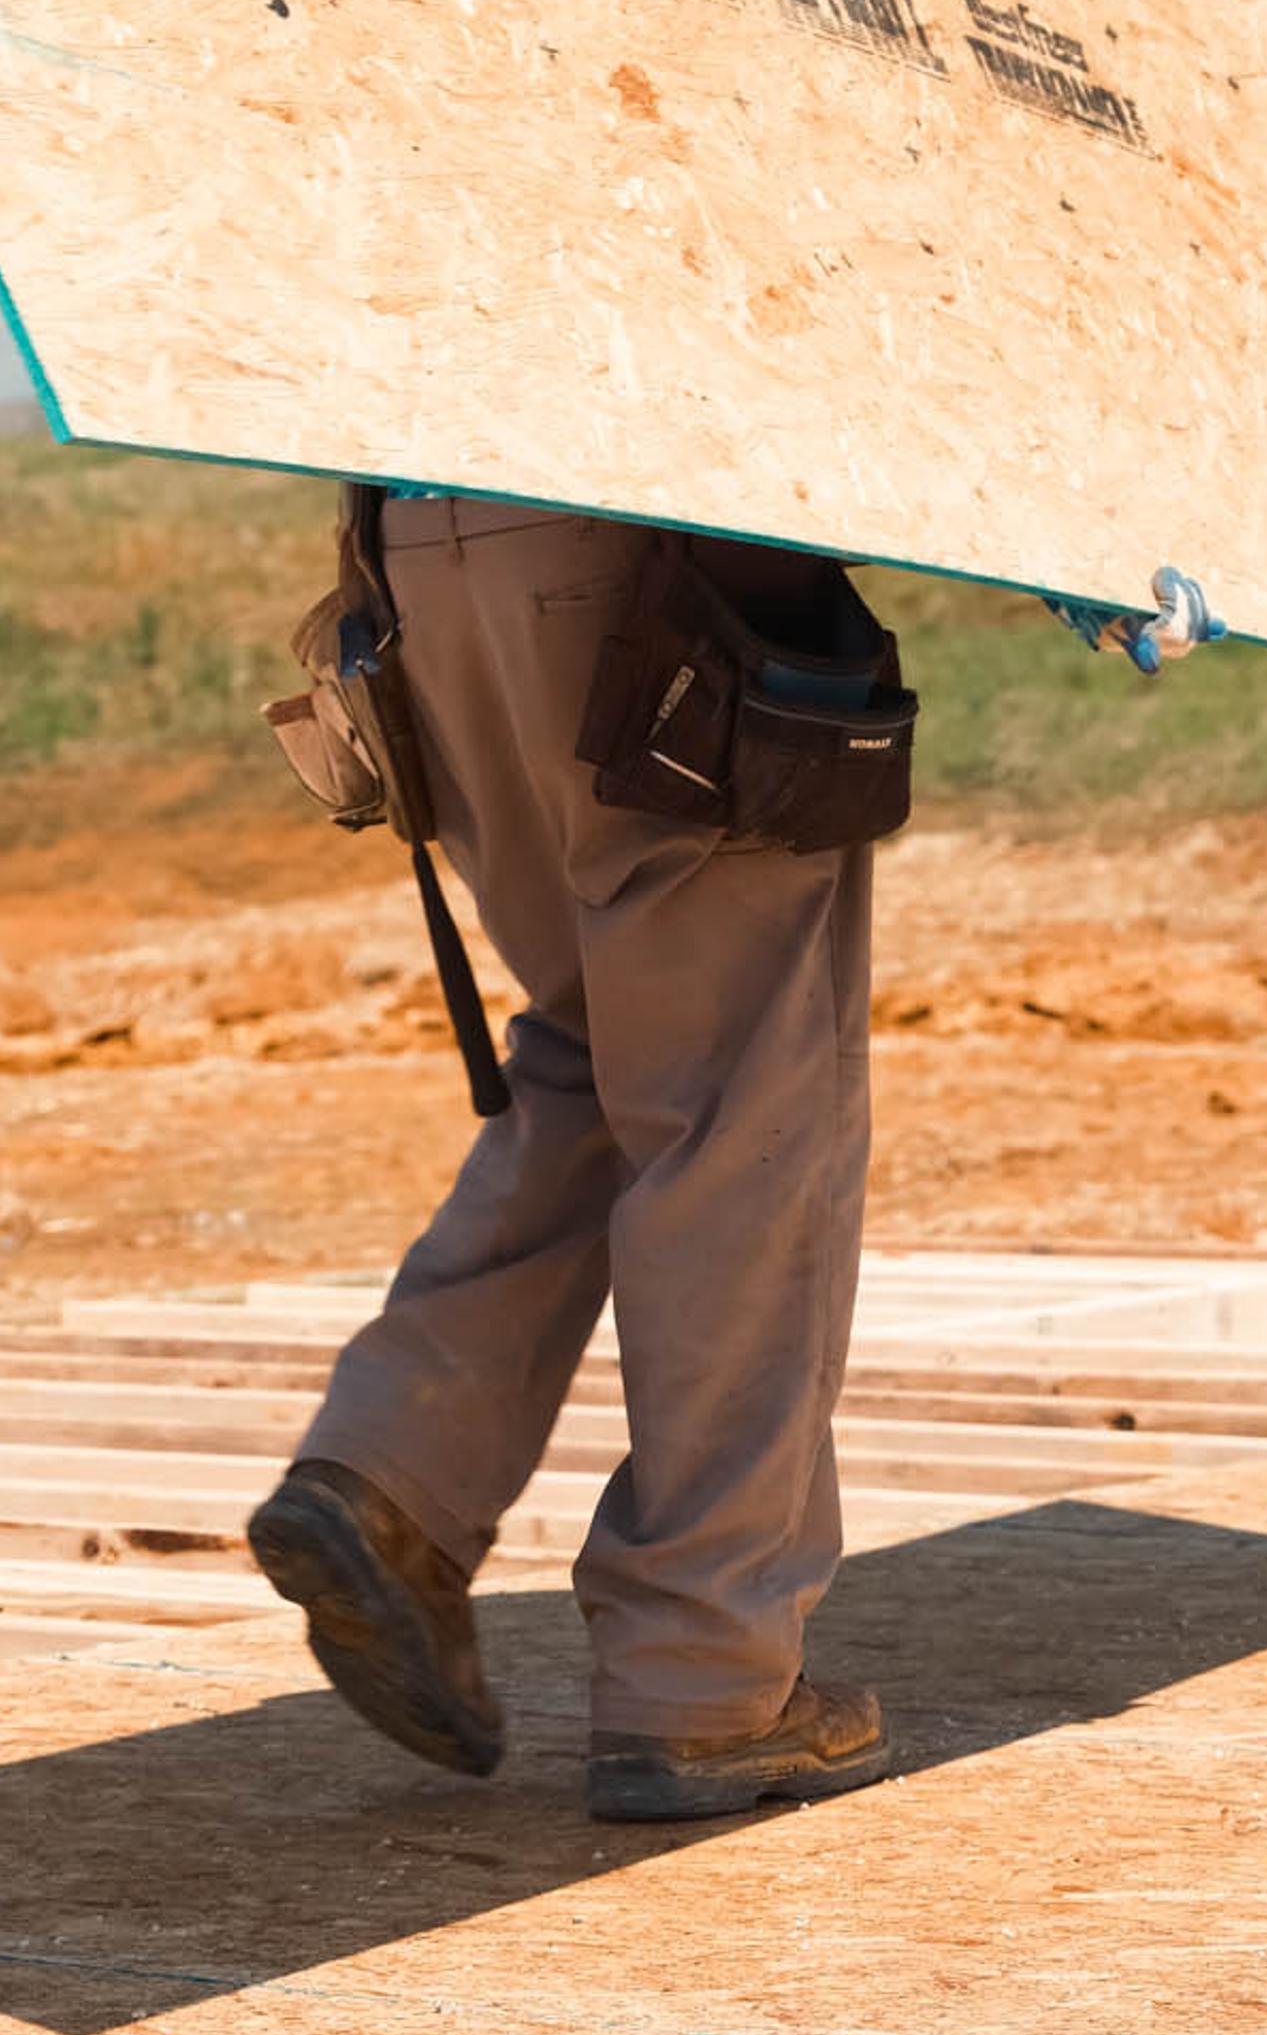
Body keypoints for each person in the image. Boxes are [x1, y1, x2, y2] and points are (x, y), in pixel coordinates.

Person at [246, 491, 898, 1822]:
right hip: (641, 567)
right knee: (739, 1113)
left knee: (605, 1047)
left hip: (427, 574)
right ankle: (706, 1676)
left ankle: (389, 1484)